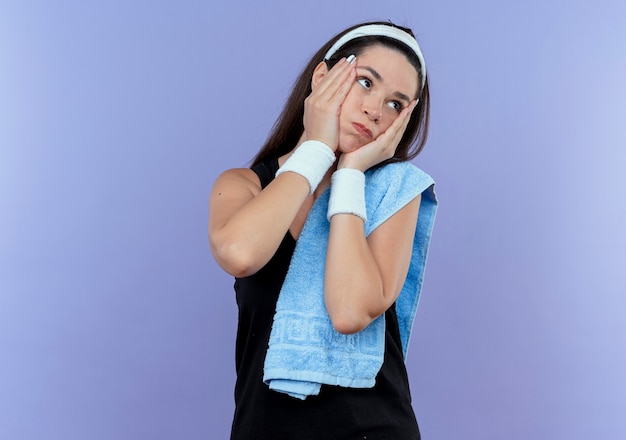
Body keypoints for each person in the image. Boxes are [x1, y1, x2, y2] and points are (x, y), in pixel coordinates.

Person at [208, 20, 437, 440]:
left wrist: (349, 174)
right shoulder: (244, 185)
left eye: (395, 104)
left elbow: (349, 311)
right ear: (323, 77)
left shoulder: (395, 193)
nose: (375, 110)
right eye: (366, 83)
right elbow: (240, 253)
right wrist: (316, 149)